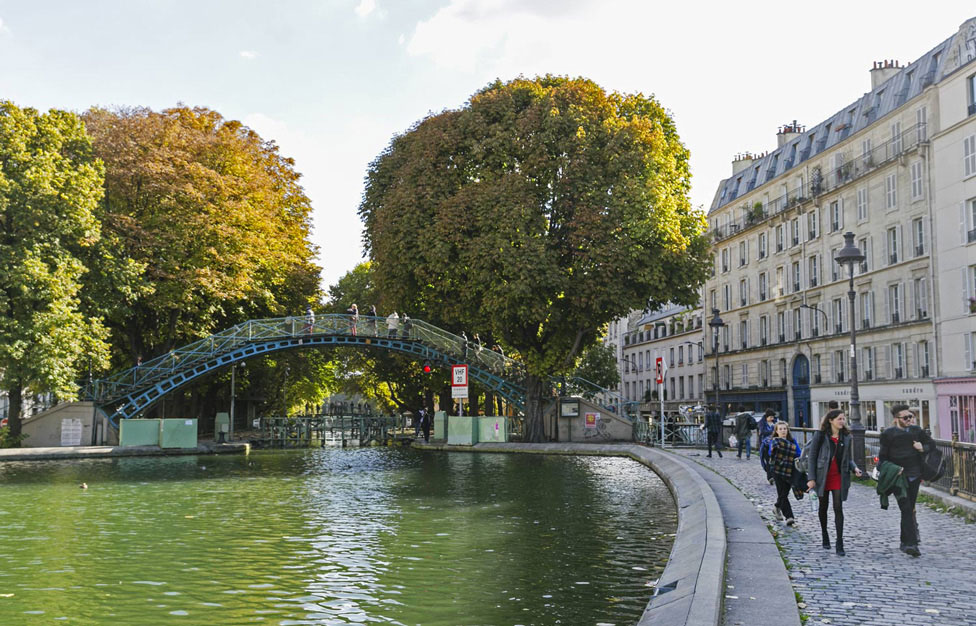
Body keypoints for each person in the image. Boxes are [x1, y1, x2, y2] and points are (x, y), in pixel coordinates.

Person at [878, 404, 934, 557]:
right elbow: (882, 458)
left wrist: (922, 447)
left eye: (911, 416)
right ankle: (912, 544)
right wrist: (894, 468)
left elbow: (932, 445)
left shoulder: (917, 431)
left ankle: (905, 541)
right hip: (898, 478)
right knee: (906, 508)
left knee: (908, 508)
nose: (909, 419)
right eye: (906, 417)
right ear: (896, 419)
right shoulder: (888, 434)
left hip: (915, 475)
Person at [807, 409, 863, 556]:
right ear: (830, 420)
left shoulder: (846, 437)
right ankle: (825, 534)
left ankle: (839, 542)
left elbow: (848, 458)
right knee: (823, 507)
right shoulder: (820, 436)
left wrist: (854, 468)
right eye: (839, 419)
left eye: (844, 419)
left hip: (839, 475)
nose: (842, 421)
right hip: (822, 476)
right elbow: (812, 457)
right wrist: (811, 478)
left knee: (838, 507)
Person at [766, 421, 802, 525]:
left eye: (785, 429)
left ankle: (777, 507)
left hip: (790, 469)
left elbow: (798, 453)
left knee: (784, 492)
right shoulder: (774, 442)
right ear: (776, 431)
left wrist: (788, 452)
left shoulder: (792, 441)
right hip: (777, 470)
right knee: (782, 492)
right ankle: (789, 516)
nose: (783, 431)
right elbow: (771, 454)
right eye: (780, 429)